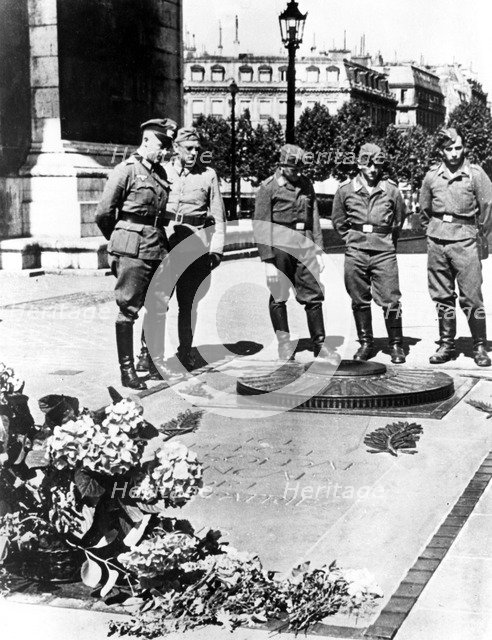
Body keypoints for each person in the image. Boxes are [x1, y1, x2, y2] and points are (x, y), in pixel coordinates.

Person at [95, 118, 177, 390]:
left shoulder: (160, 174)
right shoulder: (125, 170)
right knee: (128, 309)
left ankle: (151, 363)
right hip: (133, 248)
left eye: (168, 144)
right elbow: (104, 212)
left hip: (157, 246)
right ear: (146, 141)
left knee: (157, 307)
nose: (165, 150)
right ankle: (127, 370)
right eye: (162, 144)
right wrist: (121, 241)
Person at [136, 126, 226, 372]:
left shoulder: (208, 175)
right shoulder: (161, 171)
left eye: (198, 149)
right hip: (165, 243)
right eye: (189, 148)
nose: (195, 153)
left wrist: (216, 250)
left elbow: (218, 216)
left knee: (188, 303)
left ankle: (185, 350)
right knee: (157, 301)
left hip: (195, 245)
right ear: (176, 149)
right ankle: (147, 352)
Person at [253, 143, 338, 364]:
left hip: (304, 246)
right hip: (280, 248)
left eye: (300, 169)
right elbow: (261, 225)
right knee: (279, 295)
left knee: (313, 293)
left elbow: (315, 217)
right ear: (282, 167)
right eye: (294, 169)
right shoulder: (268, 187)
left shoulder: (306, 184)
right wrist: (267, 261)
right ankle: (284, 344)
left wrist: (318, 249)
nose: (298, 173)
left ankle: (319, 344)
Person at [419, 126, 492, 367]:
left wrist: (478, 235)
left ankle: (479, 345)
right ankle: (446, 344)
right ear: (441, 150)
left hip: (465, 240)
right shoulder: (431, 176)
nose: (454, 153)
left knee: (472, 296)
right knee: (442, 295)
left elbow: (487, 208)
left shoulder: (475, 174)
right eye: (449, 149)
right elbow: (424, 210)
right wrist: (433, 232)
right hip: (437, 241)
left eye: (458, 148)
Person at [332, 142, 407, 364]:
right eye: (368, 164)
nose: (373, 169)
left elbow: (398, 220)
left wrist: (385, 241)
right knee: (359, 299)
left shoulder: (391, 190)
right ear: (358, 163)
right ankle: (366, 342)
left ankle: (395, 344)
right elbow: (338, 221)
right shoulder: (345, 190)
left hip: (384, 251)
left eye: (377, 164)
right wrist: (352, 241)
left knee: (391, 299)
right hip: (356, 252)